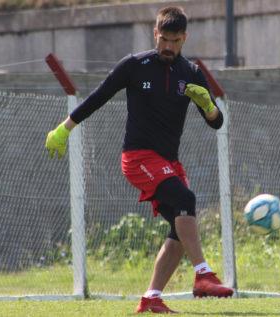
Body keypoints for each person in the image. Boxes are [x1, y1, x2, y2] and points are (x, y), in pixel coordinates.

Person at [45, 6, 233, 314]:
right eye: (163, 39)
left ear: (184, 38)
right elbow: (98, 96)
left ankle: (151, 298)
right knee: (185, 198)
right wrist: (64, 129)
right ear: (155, 34)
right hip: (138, 157)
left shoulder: (192, 73)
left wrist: (208, 106)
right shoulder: (135, 65)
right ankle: (203, 275)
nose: (168, 46)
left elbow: (216, 122)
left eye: (175, 40)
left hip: (169, 163)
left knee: (178, 229)